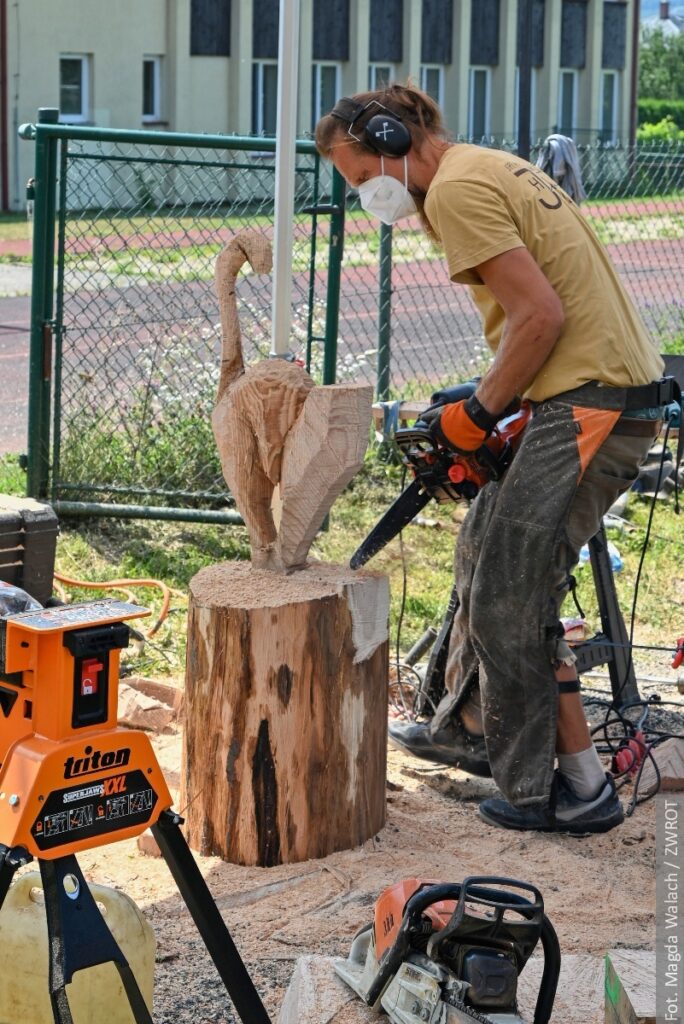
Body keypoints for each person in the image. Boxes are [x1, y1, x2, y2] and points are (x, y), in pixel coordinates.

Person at [315, 83, 676, 835]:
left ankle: (573, 789)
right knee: (482, 545)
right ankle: (464, 724)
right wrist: (481, 401)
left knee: (511, 594)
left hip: (592, 402)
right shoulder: (482, 165)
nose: (365, 193)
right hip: (589, 387)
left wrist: (477, 417)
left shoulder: (452, 193)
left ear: (389, 139)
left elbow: (541, 317)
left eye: (360, 176)